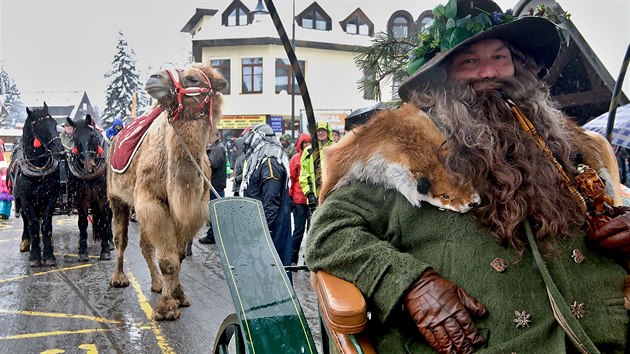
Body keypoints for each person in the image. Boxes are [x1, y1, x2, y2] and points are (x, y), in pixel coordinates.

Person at [305, 1, 630, 353]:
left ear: (518, 67)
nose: (489, 72)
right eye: (470, 62)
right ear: (440, 79)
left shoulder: (564, 143)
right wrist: (410, 283)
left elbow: (608, 214)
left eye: (500, 58)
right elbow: (328, 234)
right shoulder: (400, 148)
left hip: (608, 332)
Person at [240, 124, 292, 269]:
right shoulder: (261, 160)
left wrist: (264, 230)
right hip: (257, 223)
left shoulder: (270, 161)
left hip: (268, 229)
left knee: (270, 269)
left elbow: (271, 201)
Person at [198, 133, 228, 245]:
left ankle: (214, 236)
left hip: (216, 184)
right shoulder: (215, 147)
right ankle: (213, 234)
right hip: (214, 183)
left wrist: (203, 158)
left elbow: (212, 164)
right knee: (214, 210)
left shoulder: (219, 148)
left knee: (215, 211)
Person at [299, 121, 334, 210]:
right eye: (318, 130)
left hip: (332, 196)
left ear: (328, 131)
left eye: (323, 130)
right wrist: (309, 194)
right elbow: (304, 174)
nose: (320, 133)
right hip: (314, 197)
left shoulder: (335, 149)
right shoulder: (308, 151)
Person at [289, 133, 311, 264]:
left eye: (309, 143)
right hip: (299, 199)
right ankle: (293, 257)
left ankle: (308, 258)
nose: (307, 145)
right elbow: (292, 179)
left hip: (311, 198)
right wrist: (291, 196)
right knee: (299, 230)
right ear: (301, 144)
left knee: (311, 230)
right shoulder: (295, 159)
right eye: (305, 143)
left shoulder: (314, 158)